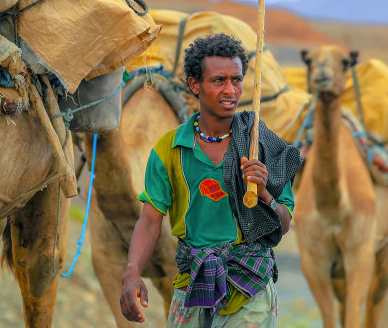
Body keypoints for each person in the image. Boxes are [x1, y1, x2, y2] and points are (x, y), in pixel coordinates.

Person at [120, 33, 302, 327]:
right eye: (219, 80)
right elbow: (150, 220)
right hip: (192, 284)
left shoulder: (260, 144)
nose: (230, 90)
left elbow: (283, 223)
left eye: (237, 80)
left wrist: (265, 192)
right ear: (195, 85)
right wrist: (131, 272)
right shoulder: (170, 149)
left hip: (250, 285)